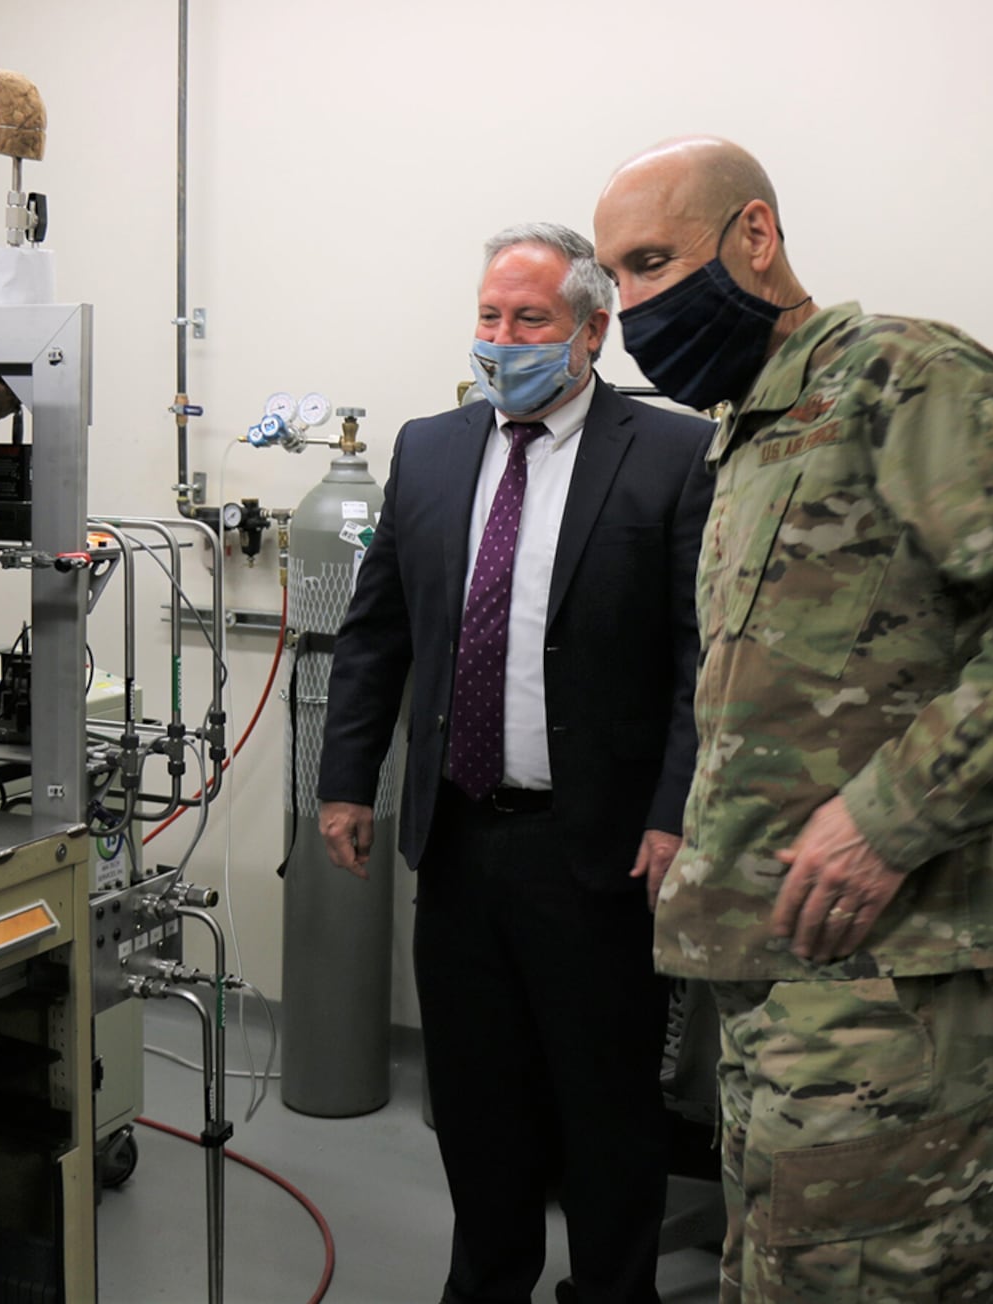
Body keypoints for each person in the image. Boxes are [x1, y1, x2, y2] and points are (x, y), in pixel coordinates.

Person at [592, 136, 993, 1302]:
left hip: (898, 994)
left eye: (653, 260)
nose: (630, 306)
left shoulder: (896, 374)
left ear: (753, 235)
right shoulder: (748, 430)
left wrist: (888, 819)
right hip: (779, 985)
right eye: (613, 279)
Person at [317, 222, 714, 1304]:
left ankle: (612, 1288)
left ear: (592, 329)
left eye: (529, 319)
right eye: (489, 316)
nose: (502, 338)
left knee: (605, 1103)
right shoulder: (432, 447)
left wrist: (674, 808)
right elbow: (377, 631)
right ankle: (487, 1280)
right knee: (478, 1099)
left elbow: (698, 656)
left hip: (595, 846)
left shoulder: (675, 453)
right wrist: (346, 779)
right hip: (456, 835)